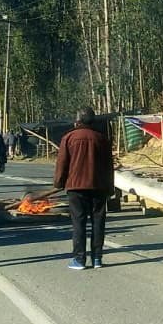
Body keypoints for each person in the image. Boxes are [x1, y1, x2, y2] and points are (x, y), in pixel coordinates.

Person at [55, 106, 114, 271]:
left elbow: (62, 164)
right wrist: (110, 188)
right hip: (99, 186)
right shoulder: (102, 139)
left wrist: (59, 183)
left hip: (76, 187)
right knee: (98, 222)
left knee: (79, 223)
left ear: (78, 120)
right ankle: (97, 258)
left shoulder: (69, 138)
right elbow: (109, 167)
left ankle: (79, 259)